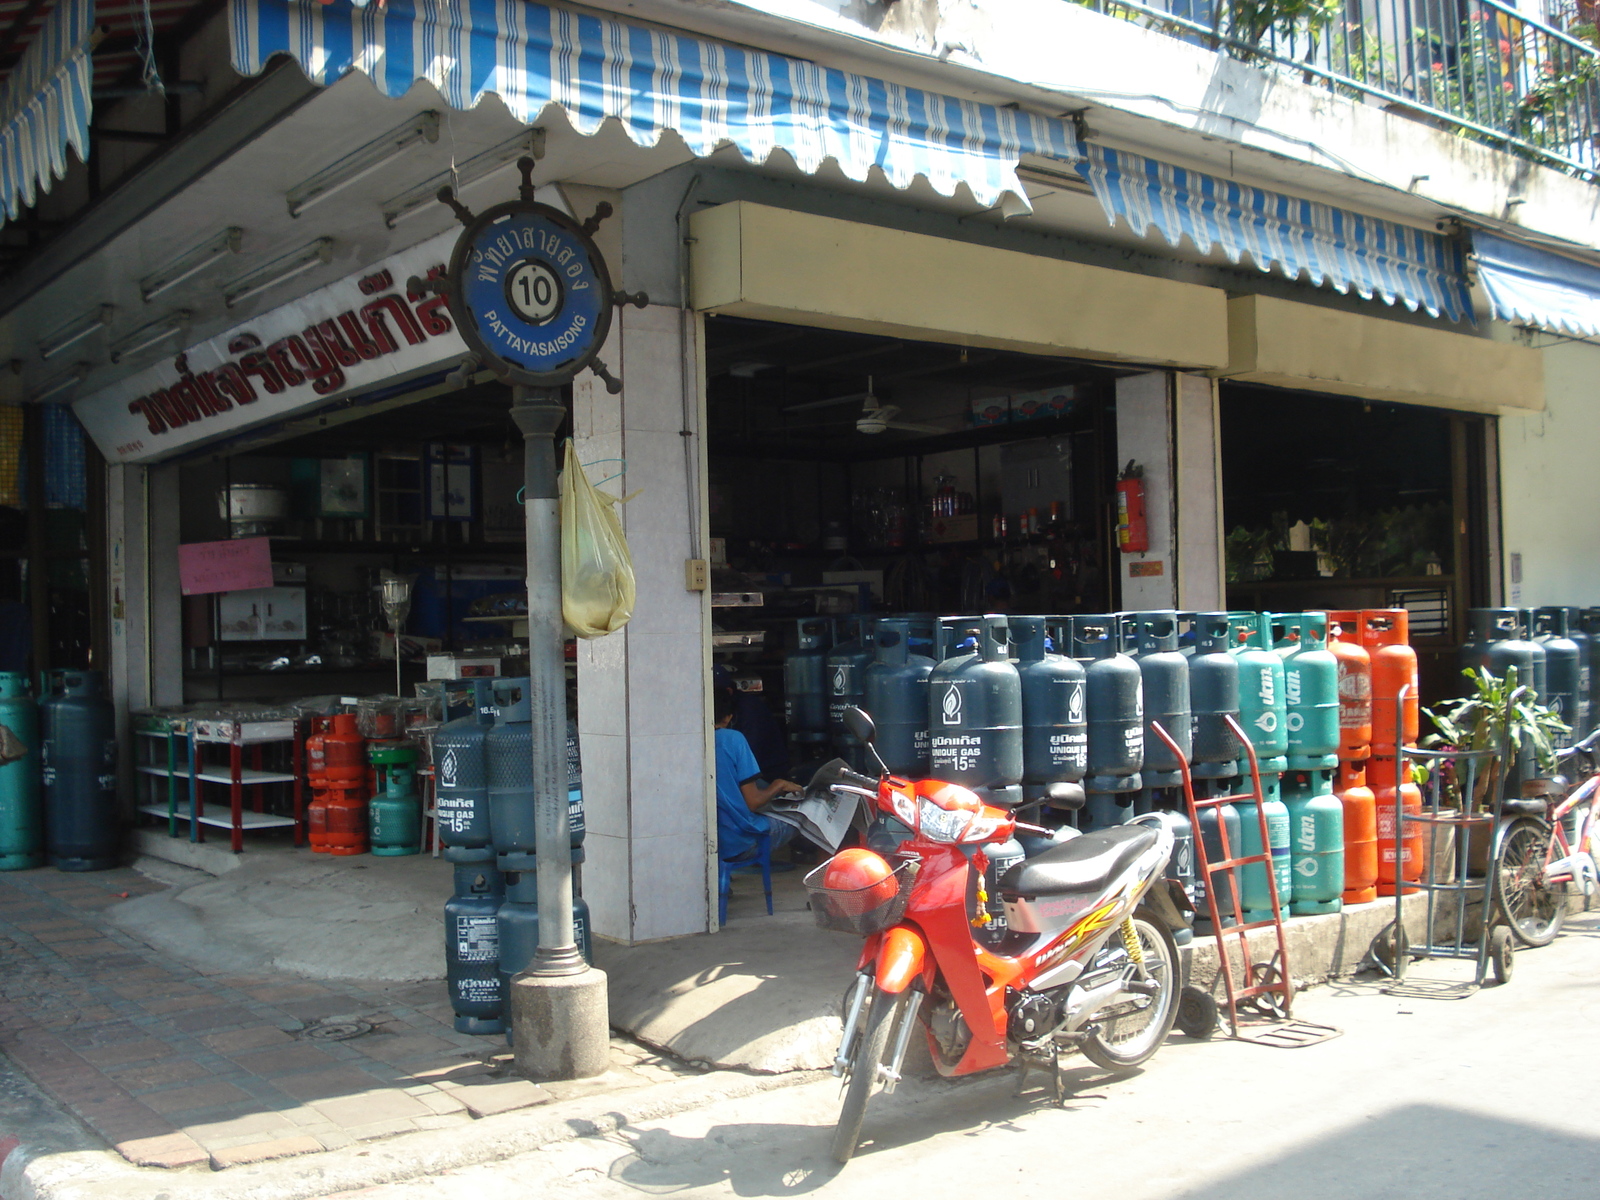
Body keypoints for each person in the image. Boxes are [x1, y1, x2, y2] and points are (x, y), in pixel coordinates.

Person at [714, 688, 801, 862]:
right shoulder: (733, 739)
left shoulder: (689, 741)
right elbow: (753, 802)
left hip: (711, 843)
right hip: (740, 842)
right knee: (806, 819)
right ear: (729, 717)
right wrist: (778, 785)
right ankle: (826, 874)